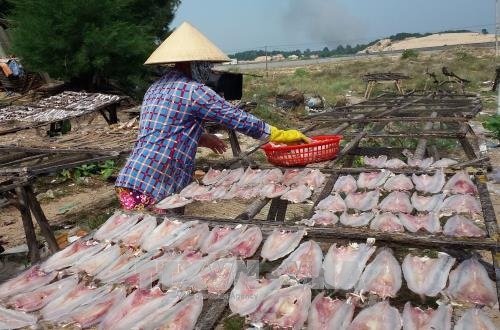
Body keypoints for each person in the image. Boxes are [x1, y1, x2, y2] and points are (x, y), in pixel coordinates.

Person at [115, 22, 310, 211]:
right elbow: (236, 118)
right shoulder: (194, 90)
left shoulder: (155, 88)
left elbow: (163, 130)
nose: (208, 69)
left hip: (133, 178)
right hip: (154, 185)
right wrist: (278, 135)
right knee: (147, 240)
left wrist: (200, 137)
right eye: (205, 64)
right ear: (194, 64)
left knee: (147, 240)